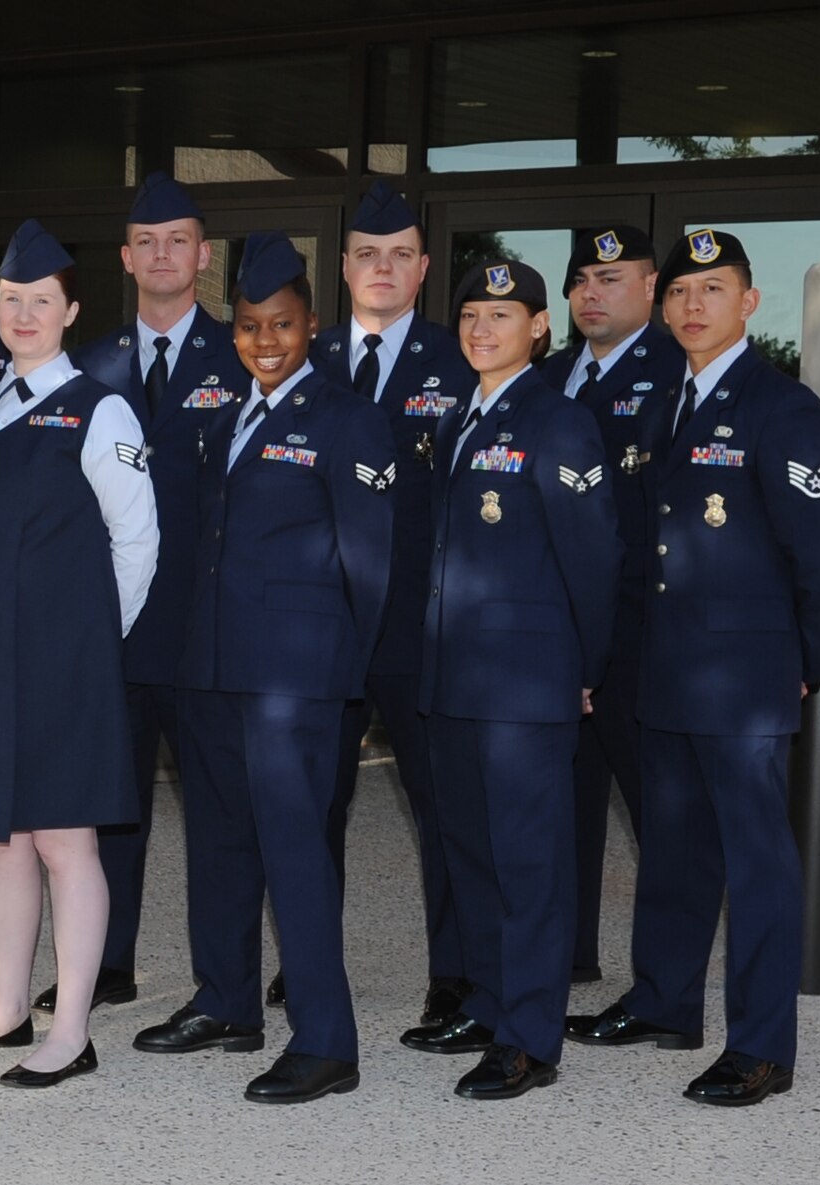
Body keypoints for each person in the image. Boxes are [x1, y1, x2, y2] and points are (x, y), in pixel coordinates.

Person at [567, 230, 820, 1106]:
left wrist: (797, 665)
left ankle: (763, 1046)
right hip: (669, 671)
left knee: (757, 861)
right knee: (676, 853)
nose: (695, 307)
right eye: (683, 293)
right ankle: (665, 1001)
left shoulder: (784, 407)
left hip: (745, 680)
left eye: (715, 290)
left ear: (748, 303)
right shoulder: (668, 406)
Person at [151, 233, 393, 1101]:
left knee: (295, 854)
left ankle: (327, 1040)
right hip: (214, 669)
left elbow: (370, 565)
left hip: (296, 680)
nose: (264, 341)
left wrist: (345, 682)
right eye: (250, 326)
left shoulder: (348, 417)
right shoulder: (225, 418)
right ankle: (226, 1000)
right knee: (217, 844)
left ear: (313, 326)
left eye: (281, 324)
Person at [0, 220, 158, 1088]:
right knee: (1, 841)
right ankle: (7, 1004)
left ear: (71, 311)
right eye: (11, 301)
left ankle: (72, 1028)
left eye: (41, 302)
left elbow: (138, 538)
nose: (24, 314)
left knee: (65, 842)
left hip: (65, 664)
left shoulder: (101, 407)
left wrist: (94, 640)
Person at [400, 259, 618, 1100]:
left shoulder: (558, 421)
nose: (481, 328)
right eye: (470, 316)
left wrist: (584, 668)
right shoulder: (461, 415)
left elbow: (592, 560)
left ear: (539, 328)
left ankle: (530, 1037)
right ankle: (490, 1005)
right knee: (474, 855)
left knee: (528, 864)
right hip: (454, 681)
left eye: (501, 314)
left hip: (527, 686)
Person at [58, 172, 255, 1014]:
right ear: (127, 257)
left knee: (219, 817)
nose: (163, 253)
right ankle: (105, 963)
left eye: (179, 239)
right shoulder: (89, 365)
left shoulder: (244, 356)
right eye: (148, 241)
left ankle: (222, 983)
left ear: (203, 256)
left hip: (207, 630)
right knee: (110, 809)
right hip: (116, 629)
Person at [296, 180, 477, 1022]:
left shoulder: (463, 359)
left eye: (400, 254)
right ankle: (306, 960)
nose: (383, 267)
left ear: (424, 267)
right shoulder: (305, 356)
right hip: (321, 622)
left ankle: (458, 973)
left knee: (441, 805)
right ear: (344, 267)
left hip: (417, 623)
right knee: (312, 800)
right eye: (368, 254)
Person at [541, 226, 683, 983]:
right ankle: (566, 960)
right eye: (581, 282)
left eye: (610, 277)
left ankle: (665, 984)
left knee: (656, 811)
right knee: (561, 808)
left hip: (637, 633)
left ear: (650, 284)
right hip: (554, 630)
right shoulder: (551, 374)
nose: (591, 294)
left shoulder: (674, 373)